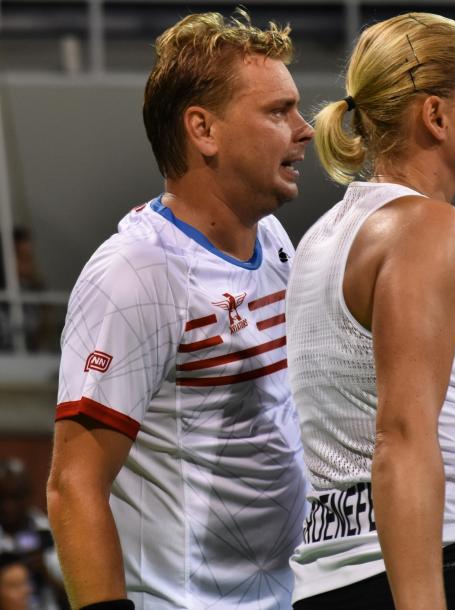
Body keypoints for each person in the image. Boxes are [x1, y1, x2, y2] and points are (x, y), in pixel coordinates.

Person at [46, 10, 313, 610]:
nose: (305, 130)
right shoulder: (137, 272)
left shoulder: (272, 238)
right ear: (203, 129)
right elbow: (73, 486)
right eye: (278, 111)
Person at [285, 11, 455, 610]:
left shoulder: (322, 240)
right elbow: (403, 438)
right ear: (435, 115)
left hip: (332, 582)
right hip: (451, 562)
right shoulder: (426, 227)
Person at [0, 459, 66, 610]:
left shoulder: (51, 534)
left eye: (14, 497)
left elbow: (76, 597)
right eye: (1, 497)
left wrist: (45, 572)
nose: (7, 506)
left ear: (28, 496)